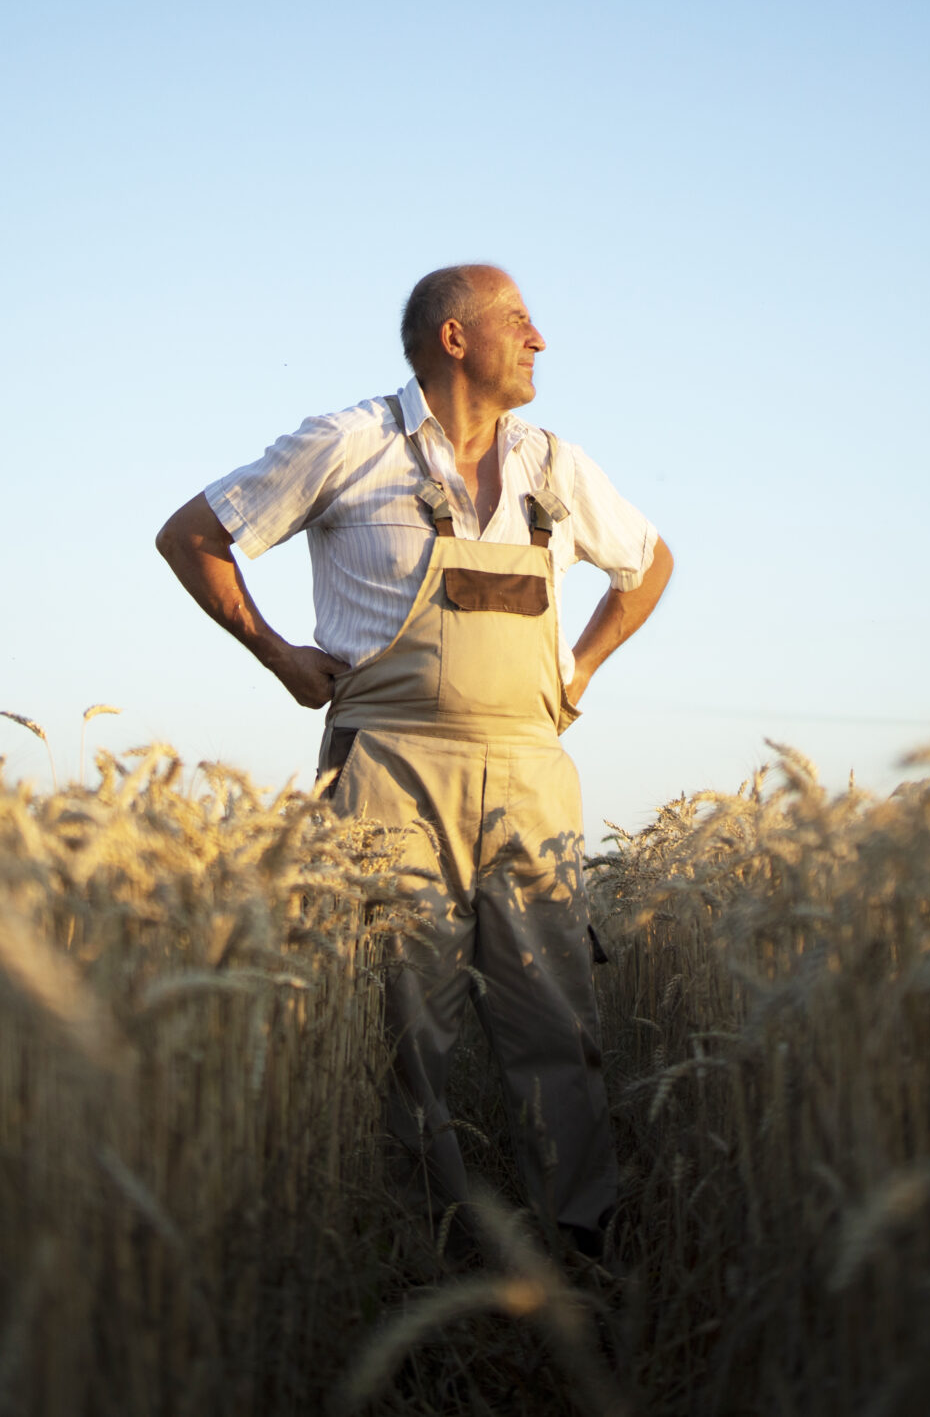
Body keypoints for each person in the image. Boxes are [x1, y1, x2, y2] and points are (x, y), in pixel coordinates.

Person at [154, 263, 674, 1259]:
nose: (540, 341)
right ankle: (420, 1256)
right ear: (453, 337)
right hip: (386, 766)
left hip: (529, 769)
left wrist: (582, 671)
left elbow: (649, 563)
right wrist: (277, 655)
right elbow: (194, 536)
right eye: (520, 322)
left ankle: (577, 1250)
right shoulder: (349, 443)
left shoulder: (554, 464)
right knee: (405, 1020)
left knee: (554, 1015)